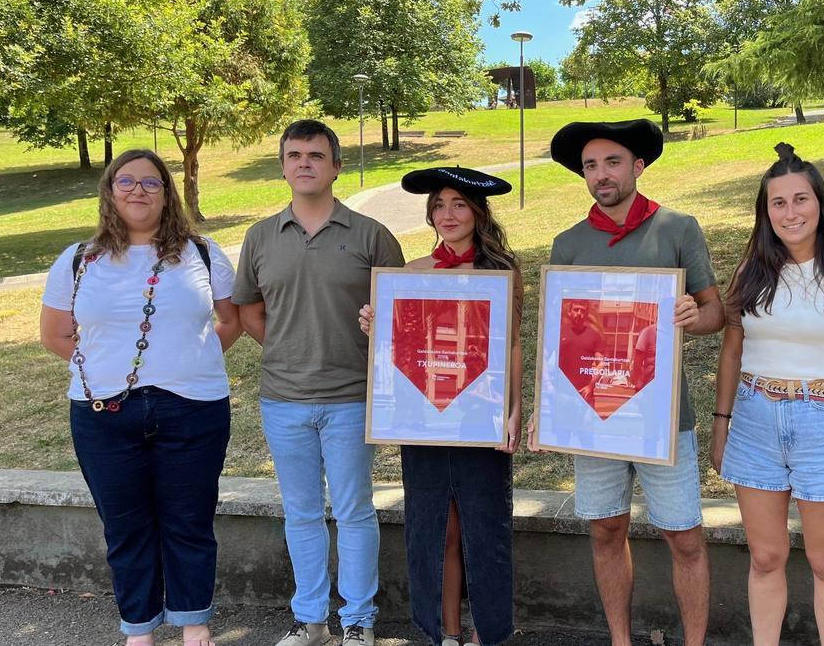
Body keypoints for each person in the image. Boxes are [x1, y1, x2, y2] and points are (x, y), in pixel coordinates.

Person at [39, 149, 241, 646]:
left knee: (190, 520)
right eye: (125, 181)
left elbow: (231, 320)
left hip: (193, 409)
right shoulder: (78, 260)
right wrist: (101, 369)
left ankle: (194, 621)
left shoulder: (202, 253)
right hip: (103, 414)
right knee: (125, 527)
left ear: (167, 194)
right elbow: (55, 334)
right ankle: (139, 629)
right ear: (109, 191)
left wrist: (190, 359)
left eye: (151, 182)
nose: (138, 190)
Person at [539, 119, 725, 646]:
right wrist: (546, 411)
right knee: (605, 529)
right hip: (593, 413)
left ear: (638, 167)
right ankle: (620, 639)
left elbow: (716, 312)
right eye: (590, 166)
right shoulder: (568, 243)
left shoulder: (678, 229)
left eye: (612, 162)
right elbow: (558, 341)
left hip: (662, 415)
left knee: (684, 536)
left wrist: (694, 316)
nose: (601, 174)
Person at [233, 120, 404, 646]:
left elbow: (401, 314)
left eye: (315, 155)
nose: (304, 163)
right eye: (294, 155)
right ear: (283, 167)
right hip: (283, 400)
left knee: (354, 511)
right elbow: (249, 312)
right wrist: (292, 349)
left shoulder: (371, 235)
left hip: (352, 397)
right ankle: (310, 620)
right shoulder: (260, 236)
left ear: (335, 166)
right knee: (302, 513)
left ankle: (358, 621)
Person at [710, 143, 824, 645]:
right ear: (765, 212)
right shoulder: (750, 273)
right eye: (777, 203)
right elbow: (732, 354)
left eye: (801, 199)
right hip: (755, 421)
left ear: (820, 204)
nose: (790, 213)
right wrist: (721, 426)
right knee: (765, 557)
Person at [357, 167, 523, 646]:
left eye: (459, 204)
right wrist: (376, 324)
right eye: (439, 206)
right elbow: (402, 350)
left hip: (481, 415)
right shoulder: (411, 274)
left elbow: (512, 346)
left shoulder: (502, 274)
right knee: (436, 529)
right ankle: (445, 631)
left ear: (478, 212)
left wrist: (514, 409)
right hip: (425, 419)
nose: (448, 214)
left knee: (485, 529)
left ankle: (488, 633)